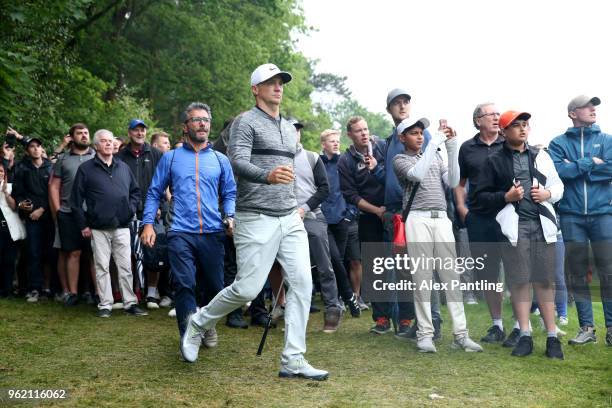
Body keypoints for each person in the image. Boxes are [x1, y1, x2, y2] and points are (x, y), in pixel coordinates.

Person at [170, 64, 327, 380]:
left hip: (289, 216)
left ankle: (293, 359)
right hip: (255, 216)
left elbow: (288, 167)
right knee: (247, 289)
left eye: (281, 82)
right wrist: (267, 176)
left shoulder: (286, 125)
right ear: (255, 89)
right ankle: (198, 322)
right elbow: (237, 161)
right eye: (270, 82)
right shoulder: (245, 122)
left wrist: (294, 202)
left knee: (302, 285)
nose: (278, 87)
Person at [141, 101, 236, 349]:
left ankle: (207, 323)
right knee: (184, 284)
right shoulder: (170, 159)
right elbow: (153, 193)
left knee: (215, 286)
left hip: (213, 232)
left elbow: (229, 193)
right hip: (180, 232)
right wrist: (148, 224)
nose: (202, 123)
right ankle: (188, 336)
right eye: (196, 119)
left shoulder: (220, 159)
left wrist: (230, 215)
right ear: (186, 126)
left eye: (206, 119)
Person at [474, 111, 564, 359]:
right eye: (516, 126)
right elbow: (479, 199)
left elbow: (558, 186)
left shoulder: (541, 156)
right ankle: (524, 335)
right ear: (503, 131)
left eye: (525, 125)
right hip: (514, 228)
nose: (523, 129)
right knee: (520, 281)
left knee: (545, 281)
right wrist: (506, 197)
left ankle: (552, 337)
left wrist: (547, 195)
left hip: (543, 225)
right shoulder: (493, 161)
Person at [393, 116, 482, 353]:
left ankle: (461, 335)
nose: (420, 136)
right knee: (422, 278)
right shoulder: (399, 159)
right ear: (402, 138)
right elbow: (417, 175)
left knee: (451, 278)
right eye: (413, 133)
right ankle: (425, 334)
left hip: (441, 218)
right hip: (417, 219)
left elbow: (453, 181)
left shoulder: (437, 155)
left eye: (421, 132)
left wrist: (451, 146)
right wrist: (436, 142)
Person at [548, 95, 612, 346]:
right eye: (587, 106)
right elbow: (557, 173)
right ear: (573, 113)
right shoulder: (558, 143)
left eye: (594, 106)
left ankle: (611, 328)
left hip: (603, 214)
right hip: (572, 215)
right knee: (577, 272)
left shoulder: (607, 140)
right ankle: (586, 328)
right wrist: (589, 163)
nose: (593, 109)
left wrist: (576, 167)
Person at [383, 88, 442, 341]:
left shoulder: (423, 134)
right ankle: (419, 323)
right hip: (396, 212)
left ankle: (433, 322)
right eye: (397, 103)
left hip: (420, 210)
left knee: (426, 269)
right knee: (408, 272)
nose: (403, 106)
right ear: (389, 110)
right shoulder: (390, 141)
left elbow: (433, 170)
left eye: (406, 101)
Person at [71, 129, 147, 318]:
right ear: (96, 145)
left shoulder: (123, 167)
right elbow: (75, 201)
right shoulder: (86, 169)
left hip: (122, 226)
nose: (108, 144)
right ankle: (105, 304)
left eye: (110, 141)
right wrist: (83, 225)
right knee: (102, 266)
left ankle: (130, 303)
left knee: (125, 267)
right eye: (103, 141)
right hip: (98, 227)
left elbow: (135, 192)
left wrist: (129, 209)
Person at [455, 103, 513, 345]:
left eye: (498, 114)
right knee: (488, 274)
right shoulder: (467, 148)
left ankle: (522, 326)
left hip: (509, 214)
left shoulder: (509, 143)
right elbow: (460, 183)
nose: (497, 118)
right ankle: (497, 325)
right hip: (479, 218)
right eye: (491, 114)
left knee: (515, 270)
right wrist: (461, 209)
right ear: (478, 120)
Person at [116, 119, 163, 308]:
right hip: (127, 211)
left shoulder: (156, 154)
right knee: (126, 253)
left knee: (153, 251)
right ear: (129, 133)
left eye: (142, 130)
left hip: (153, 211)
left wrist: (160, 204)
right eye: (136, 130)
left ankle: (151, 294)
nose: (140, 133)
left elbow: (164, 181)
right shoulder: (119, 156)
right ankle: (129, 291)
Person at [49, 123, 96, 306]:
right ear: (71, 137)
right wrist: (58, 209)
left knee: (93, 253)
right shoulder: (63, 159)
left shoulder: (96, 156)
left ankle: (98, 293)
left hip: (92, 212)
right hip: (68, 212)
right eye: (79, 133)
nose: (84, 136)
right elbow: (54, 186)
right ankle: (72, 293)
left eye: (86, 132)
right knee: (72, 253)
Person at [319, 129, 361, 319]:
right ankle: (347, 298)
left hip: (342, 219)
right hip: (323, 221)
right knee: (333, 260)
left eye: (337, 140)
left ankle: (342, 300)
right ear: (323, 144)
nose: (336, 143)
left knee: (341, 261)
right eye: (331, 141)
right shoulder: (317, 163)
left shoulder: (345, 162)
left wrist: (350, 214)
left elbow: (353, 189)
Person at [11, 136, 54, 302]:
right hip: (31, 218)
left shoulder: (51, 168)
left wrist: (42, 209)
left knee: (50, 253)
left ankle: (49, 288)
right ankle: (34, 288)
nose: (36, 149)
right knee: (33, 253)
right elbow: (17, 193)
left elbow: (54, 193)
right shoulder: (22, 169)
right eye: (32, 147)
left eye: (38, 146)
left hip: (49, 216)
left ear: (42, 149)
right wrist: (22, 204)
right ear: (27, 150)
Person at [0, 163, 25, 297]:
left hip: (8, 229)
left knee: (10, 260)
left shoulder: (10, 187)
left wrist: (5, 192)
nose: (0, 173)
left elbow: (15, 207)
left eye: (1, 171)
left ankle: (8, 289)